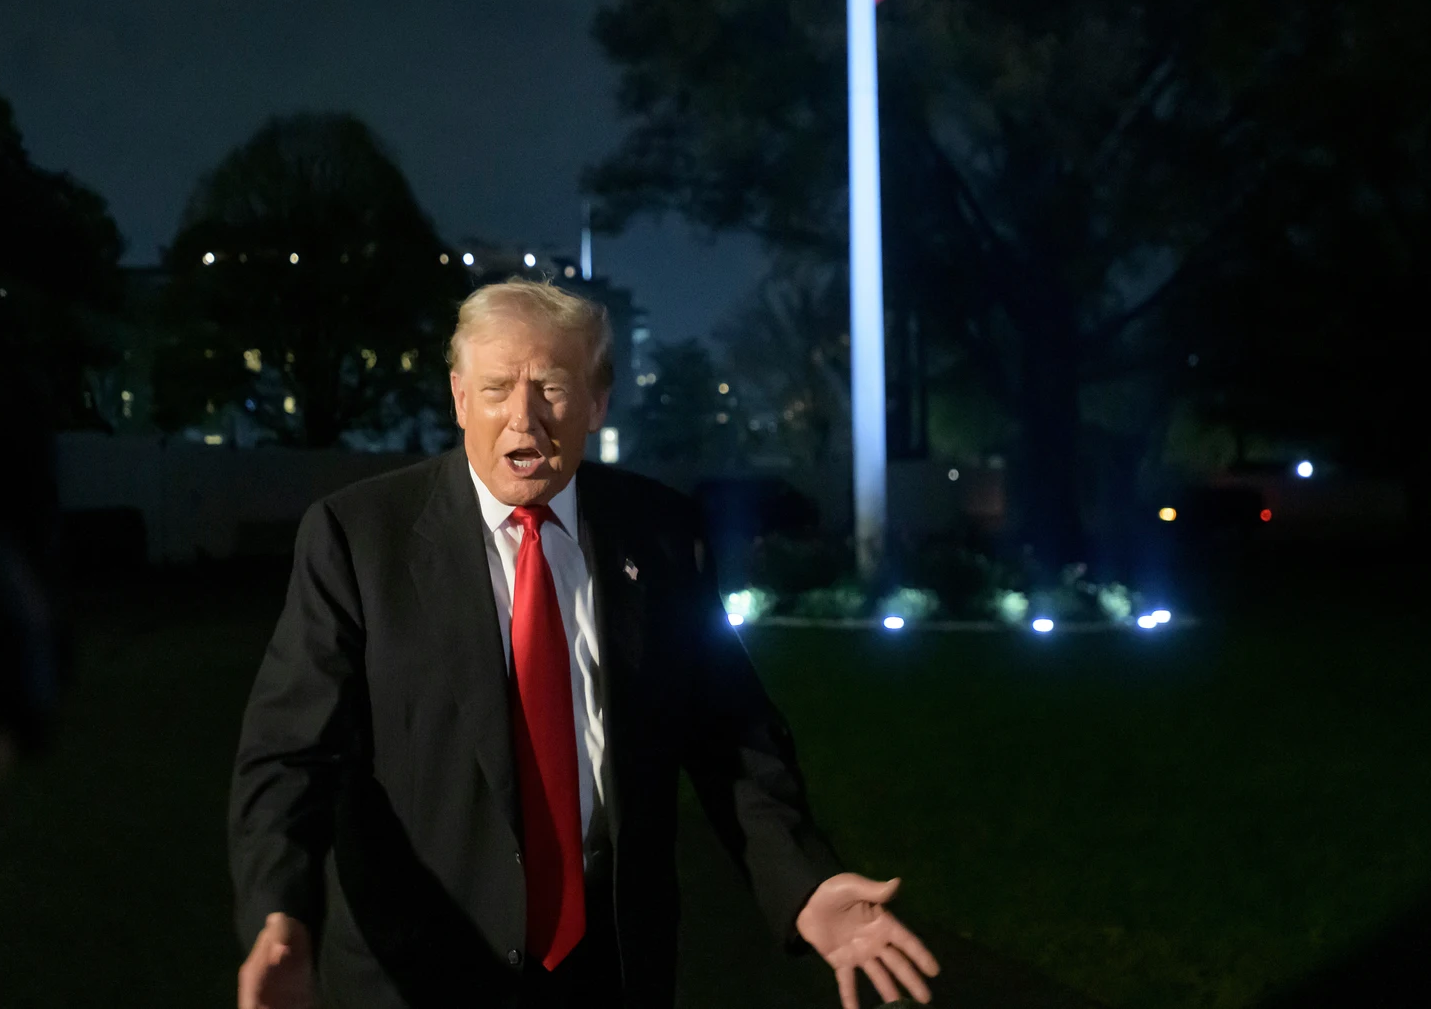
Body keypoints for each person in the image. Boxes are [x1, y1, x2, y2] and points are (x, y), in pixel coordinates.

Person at [229, 280, 938, 1009]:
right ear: (460, 397)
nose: (523, 417)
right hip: (417, 978)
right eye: (498, 387)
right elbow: (288, 754)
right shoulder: (359, 537)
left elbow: (730, 734)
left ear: (598, 401)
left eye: (552, 387)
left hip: (613, 976)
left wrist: (803, 881)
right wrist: (279, 913)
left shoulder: (661, 535)